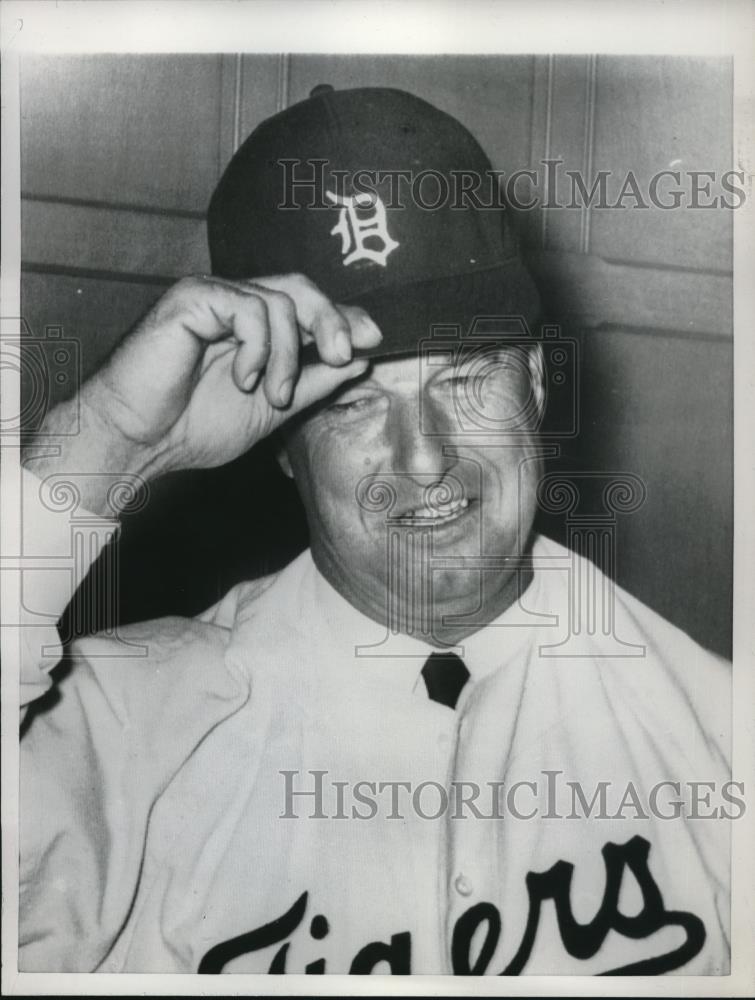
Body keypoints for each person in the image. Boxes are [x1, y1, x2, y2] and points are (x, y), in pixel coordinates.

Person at [18, 86, 731, 975]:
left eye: (466, 380)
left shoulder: (716, 730)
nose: (423, 458)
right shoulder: (113, 726)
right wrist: (109, 442)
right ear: (281, 444)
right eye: (354, 403)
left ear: (539, 385)